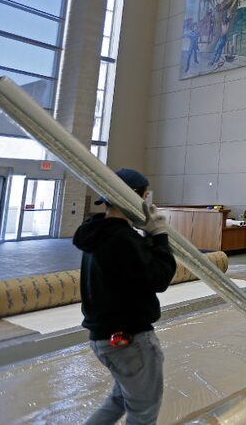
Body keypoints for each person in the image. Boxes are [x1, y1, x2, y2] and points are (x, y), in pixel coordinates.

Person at [73, 168, 176, 425]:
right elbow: (159, 277)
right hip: (130, 341)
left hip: (103, 338)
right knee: (143, 412)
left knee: (120, 399)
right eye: (146, 196)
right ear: (135, 197)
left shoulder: (96, 234)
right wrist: (160, 236)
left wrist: (144, 239)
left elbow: (129, 273)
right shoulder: (122, 239)